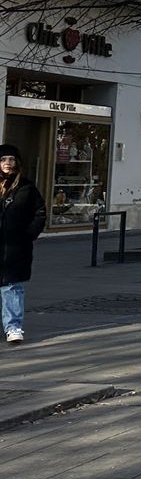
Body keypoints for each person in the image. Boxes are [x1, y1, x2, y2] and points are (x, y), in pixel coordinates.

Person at [0, 144, 47, 343]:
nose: (8, 164)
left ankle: (13, 327)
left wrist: (28, 234)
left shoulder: (26, 188)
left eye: (11, 160)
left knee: (11, 286)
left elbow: (40, 212)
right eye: (3, 160)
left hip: (15, 246)